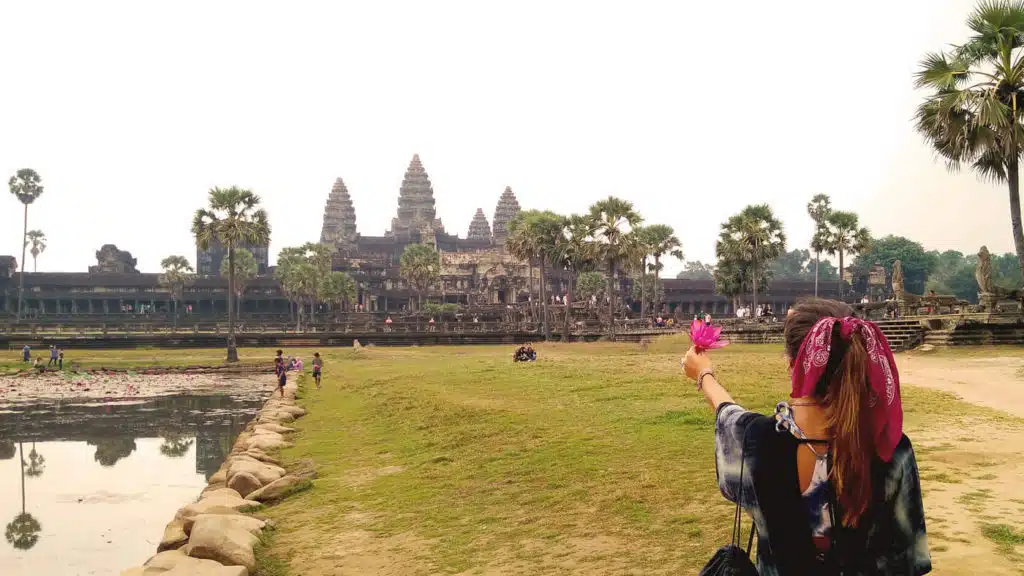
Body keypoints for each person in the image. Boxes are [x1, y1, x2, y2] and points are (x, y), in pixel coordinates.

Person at [681, 298, 930, 573]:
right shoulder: (890, 448)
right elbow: (906, 559)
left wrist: (704, 374)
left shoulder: (755, 441)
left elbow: (728, 413)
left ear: (793, 363)